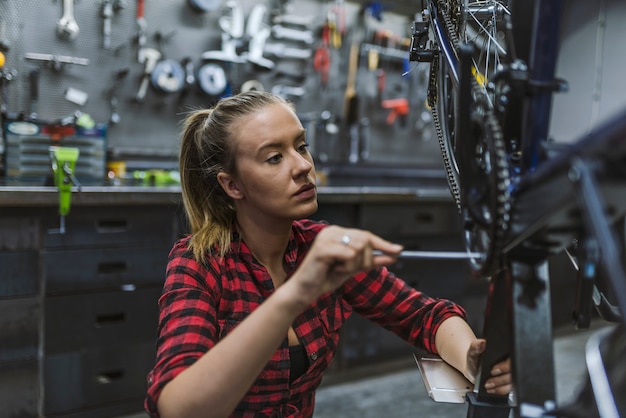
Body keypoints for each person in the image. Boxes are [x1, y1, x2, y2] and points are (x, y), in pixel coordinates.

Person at [144, 91, 511, 418]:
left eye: (301, 146)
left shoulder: (316, 248)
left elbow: (425, 317)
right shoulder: (199, 264)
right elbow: (176, 408)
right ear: (232, 184)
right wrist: (295, 293)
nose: (303, 166)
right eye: (274, 158)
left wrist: (473, 359)